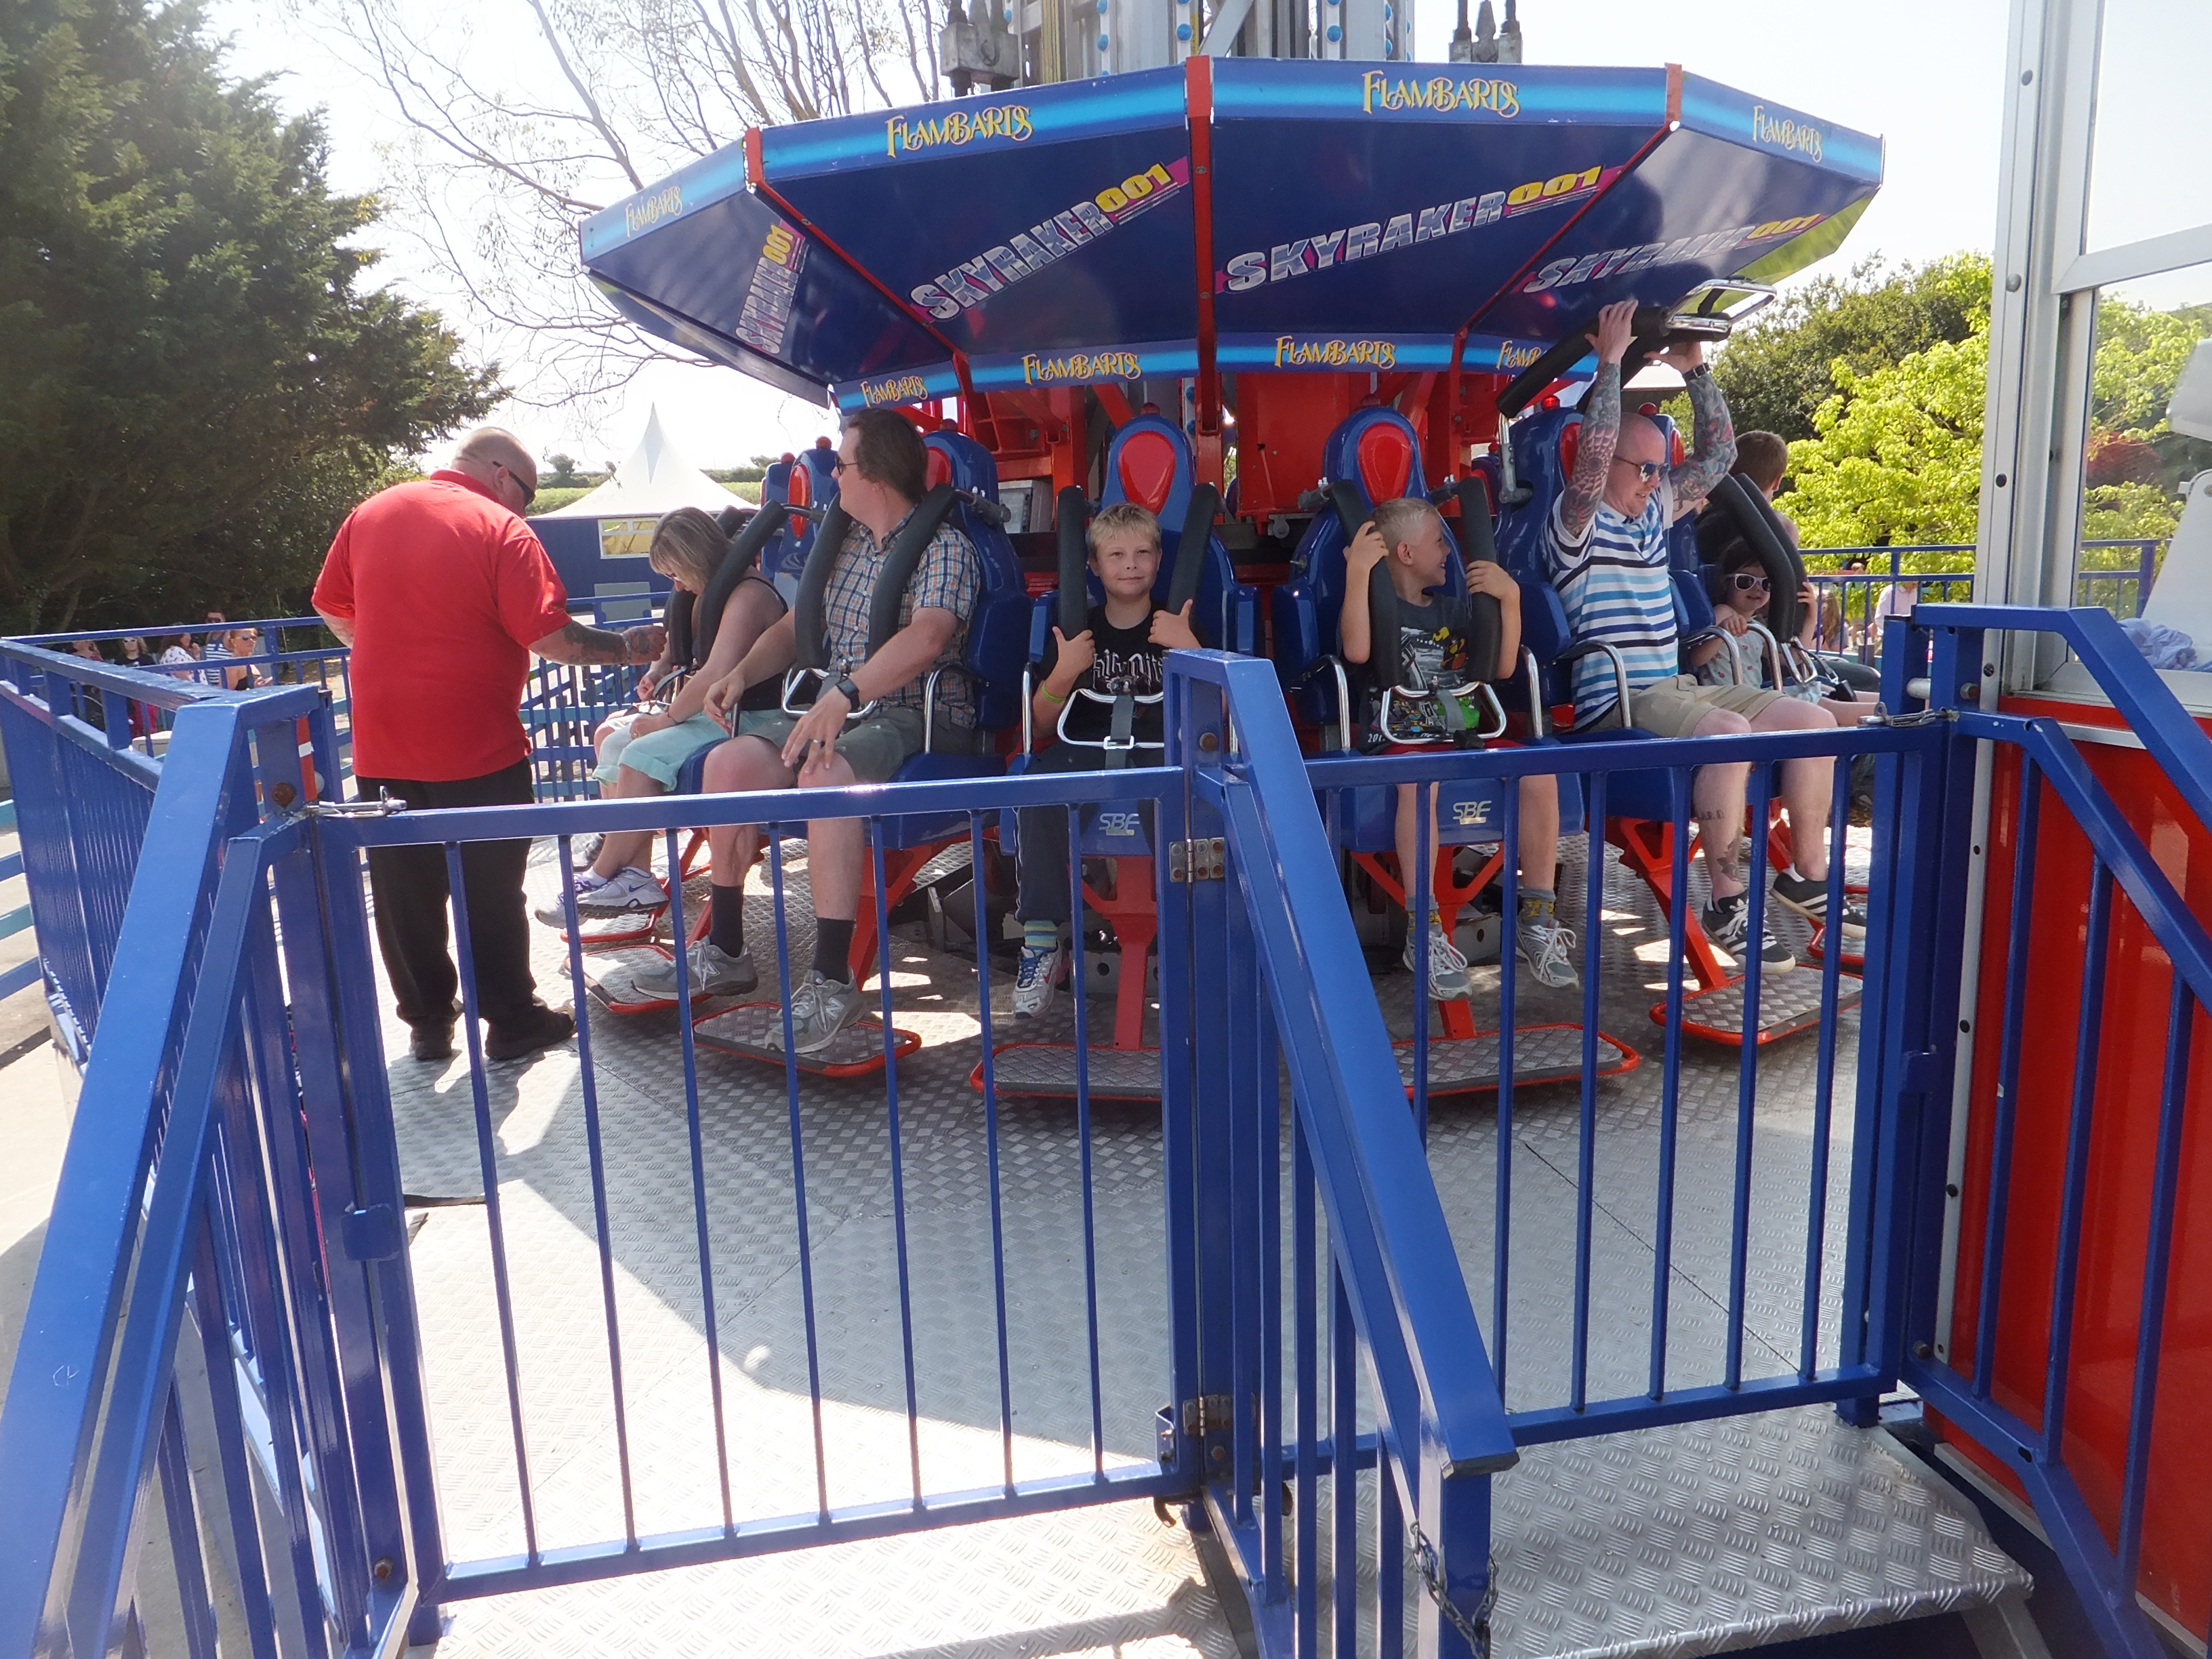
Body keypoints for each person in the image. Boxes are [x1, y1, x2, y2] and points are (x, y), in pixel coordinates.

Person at [314, 427, 666, 1065]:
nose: (525, 508)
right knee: (491, 887)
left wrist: (395, 652)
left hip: (382, 740)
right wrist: (630, 648)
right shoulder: (502, 529)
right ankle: (511, 1020)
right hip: (475, 741)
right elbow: (551, 638)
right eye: (527, 495)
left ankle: (427, 1024)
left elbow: (333, 607)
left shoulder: (372, 512)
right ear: (503, 475)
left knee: (404, 892)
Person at [635, 410, 981, 1054]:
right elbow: (796, 629)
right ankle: (725, 947)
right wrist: (739, 673)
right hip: (834, 708)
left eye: (841, 467)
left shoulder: (944, 549)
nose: (834, 480)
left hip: (914, 716)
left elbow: (929, 637)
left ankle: (831, 978)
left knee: (824, 771)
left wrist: (846, 695)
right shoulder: (846, 549)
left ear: (874, 474)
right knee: (729, 764)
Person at [1547, 299, 1858, 970]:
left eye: (1660, 469)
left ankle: (1806, 872)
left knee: (1812, 720)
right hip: (1620, 702)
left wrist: (1696, 370)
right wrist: (1609, 363)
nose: (1655, 481)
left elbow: (1720, 459)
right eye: (1643, 468)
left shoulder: (1653, 512)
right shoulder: (1576, 524)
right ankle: (1725, 895)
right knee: (1728, 732)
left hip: (1676, 687)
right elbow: (1594, 458)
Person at [1340, 496, 1576, 995]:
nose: (1449, 552)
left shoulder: (1452, 611)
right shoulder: (1376, 608)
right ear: (1406, 553)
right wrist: (1358, 573)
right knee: (1419, 784)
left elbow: (1502, 667)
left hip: (1461, 734)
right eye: (1438, 542)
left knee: (1539, 771)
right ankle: (1423, 929)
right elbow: (1357, 651)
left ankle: (1537, 917)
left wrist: (1510, 599)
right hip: (1401, 737)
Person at [533, 506, 787, 921]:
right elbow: (683, 647)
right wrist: (657, 670)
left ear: (695, 558)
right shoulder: (706, 593)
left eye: (676, 573)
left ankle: (602, 874)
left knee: (639, 752)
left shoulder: (749, 595)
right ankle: (635, 874)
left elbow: (717, 671)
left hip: (751, 717)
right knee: (614, 742)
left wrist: (665, 722)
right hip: (714, 712)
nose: (676, 585)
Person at [1009, 502, 1200, 1017]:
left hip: (1159, 750)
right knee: (1038, 790)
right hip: (1084, 747)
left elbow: (1220, 713)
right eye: (1116, 555)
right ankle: (1042, 940)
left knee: (1179, 800)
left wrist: (1190, 648)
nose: (1130, 564)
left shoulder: (1179, 623)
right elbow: (1041, 725)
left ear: (1159, 560)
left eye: (1142, 553)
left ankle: (1186, 938)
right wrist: (1065, 671)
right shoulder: (1078, 628)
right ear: (1093, 566)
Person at [201, 623, 267, 690]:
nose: (251, 641)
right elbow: (227, 692)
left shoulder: (248, 661)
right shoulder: (232, 666)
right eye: (245, 638)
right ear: (233, 641)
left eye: (254, 638)